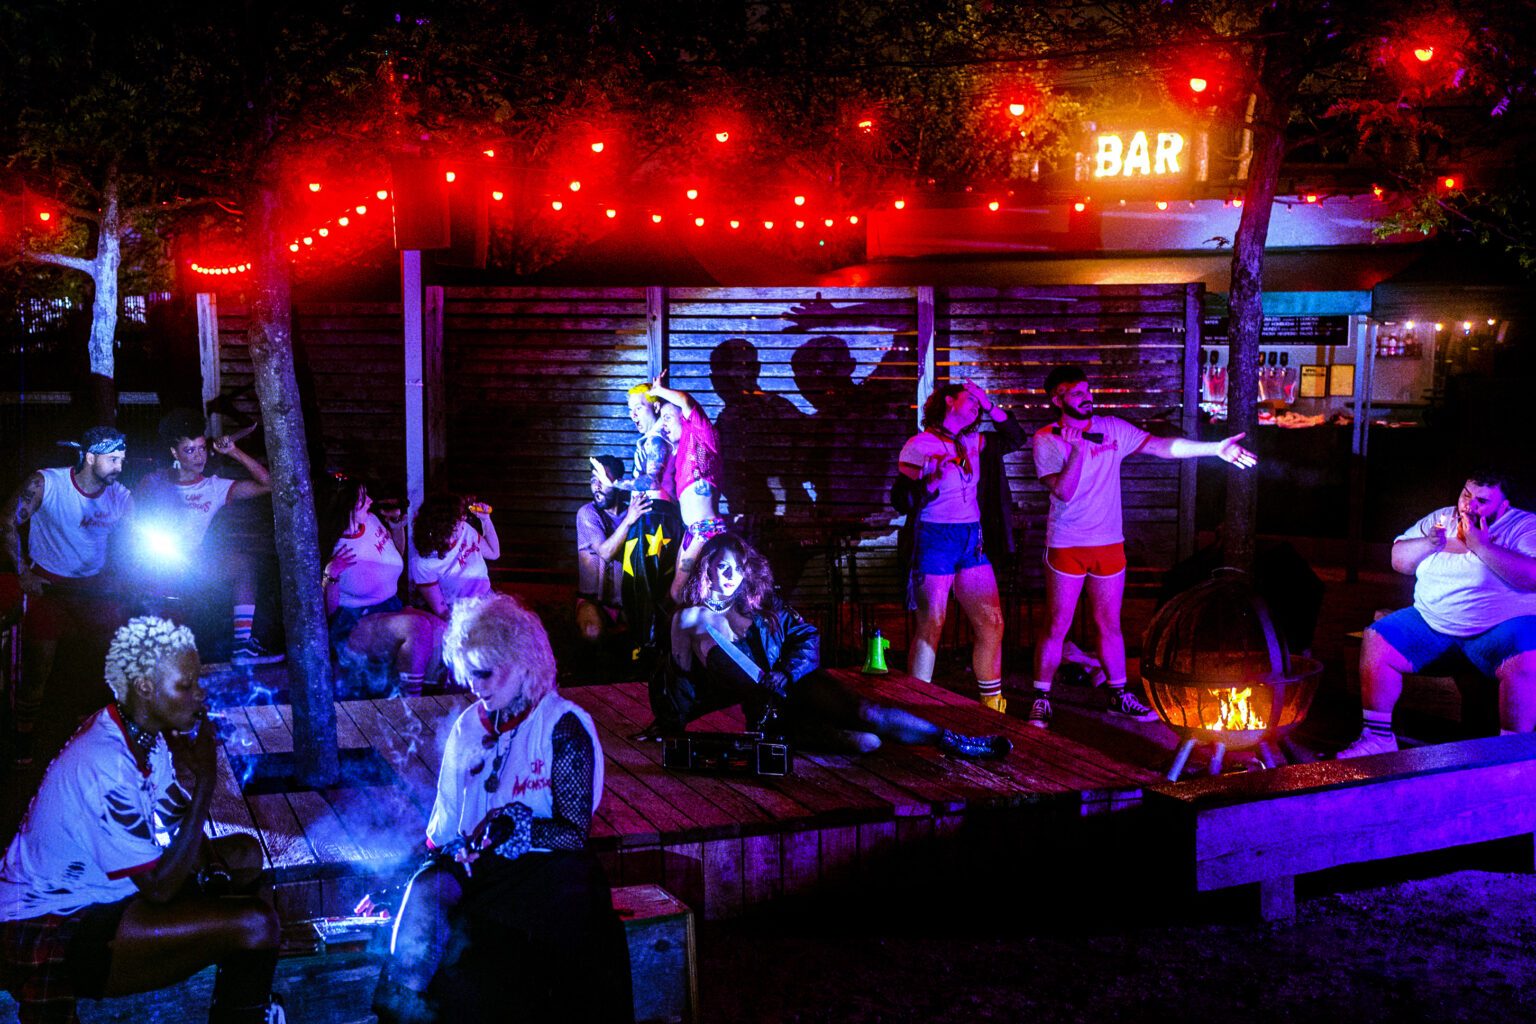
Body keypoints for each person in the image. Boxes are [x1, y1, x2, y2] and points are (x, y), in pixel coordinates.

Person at [0, 616, 283, 1024]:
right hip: (56, 924)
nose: (199, 695)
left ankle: (245, 985)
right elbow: (159, 889)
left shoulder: (143, 736)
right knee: (256, 924)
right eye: (185, 685)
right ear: (145, 687)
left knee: (245, 855)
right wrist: (206, 781)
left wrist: (217, 878)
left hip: (107, 893)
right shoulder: (106, 763)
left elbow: (177, 818)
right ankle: (245, 986)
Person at [372, 594, 632, 1024]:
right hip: (479, 866)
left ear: (523, 662)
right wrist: (415, 872)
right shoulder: (468, 726)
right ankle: (399, 1016)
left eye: (485, 673)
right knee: (423, 894)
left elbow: (573, 831)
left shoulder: (562, 724)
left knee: (495, 940)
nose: (476, 687)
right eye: (468, 674)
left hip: (549, 867)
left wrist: (517, 829)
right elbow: (446, 824)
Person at [1028, 364, 1257, 729]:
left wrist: (1214, 449)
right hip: (1068, 542)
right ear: (1058, 399)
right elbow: (1064, 492)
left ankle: (1118, 695)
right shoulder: (1046, 439)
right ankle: (1041, 697)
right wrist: (1078, 450)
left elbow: (1163, 447)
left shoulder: (1112, 428)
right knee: (1057, 623)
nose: (1087, 397)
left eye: (1088, 390)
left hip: (1109, 542)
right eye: (1077, 392)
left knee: (1109, 623)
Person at [649, 534, 1011, 760]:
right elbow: (684, 683)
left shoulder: (761, 604)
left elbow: (807, 636)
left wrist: (786, 672)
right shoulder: (693, 622)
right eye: (723, 568)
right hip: (774, 716)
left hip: (802, 684)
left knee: (868, 713)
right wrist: (667, 723)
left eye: (738, 569)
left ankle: (958, 743)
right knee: (866, 743)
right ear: (707, 568)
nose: (732, 577)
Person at [1339, 469, 1536, 758]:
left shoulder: (1524, 526)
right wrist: (1429, 543)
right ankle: (1378, 738)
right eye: (1466, 495)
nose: (1469, 506)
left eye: (1482, 501)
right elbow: (1398, 560)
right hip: (1432, 626)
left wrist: (1481, 545)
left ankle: (1512, 753)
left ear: (1503, 505)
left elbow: (1532, 576)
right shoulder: (1442, 517)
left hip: (1497, 632)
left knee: (1529, 653)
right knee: (1378, 637)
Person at [2, 426, 134, 765]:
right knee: (38, 669)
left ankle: (93, 733)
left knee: (106, 664)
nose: (119, 467)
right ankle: (23, 738)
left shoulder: (119, 495)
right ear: (90, 458)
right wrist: (23, 572)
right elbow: (6, 522)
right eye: (113, 459)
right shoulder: (47, 483)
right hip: (49, 586)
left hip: (94, 588)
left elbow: (136, 538)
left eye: (122, 459)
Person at [893, 381, 1026, 712]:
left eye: (979, 402)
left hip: (971, 538)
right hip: (935, 537)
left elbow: (1016, 437)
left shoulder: (973, 441)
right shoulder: (920, 444)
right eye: (970, 399)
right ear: (949, 401)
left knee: (992, 622)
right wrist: (930, 483)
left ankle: (992, 705)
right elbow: (900, 500)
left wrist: (988, 403)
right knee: (932, 623)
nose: (976, 405)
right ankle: (918, 705)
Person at [134, 410, 276, 668]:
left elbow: (268, 484)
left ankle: (242, 646)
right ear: (175, 453)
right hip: (157, 564)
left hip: (193, 566)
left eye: (201, 448)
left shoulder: (213, 486)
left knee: (244, 564)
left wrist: (234, 451)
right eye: (189, 450)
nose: (198, 456)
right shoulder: (155, 480)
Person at [321, 478, 443, 697]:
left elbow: (394, 556)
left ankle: (429, 694)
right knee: (417, 627)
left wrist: (397, 528)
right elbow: (328, 610)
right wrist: (331, 575)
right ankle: (408, 703)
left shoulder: (371, 521)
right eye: (362, 498)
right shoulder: (336, 546)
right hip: (354, 621)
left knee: (441, 628)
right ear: (346, 505)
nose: (370, 501)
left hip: (390, 607)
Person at [590, 384, 684, 666]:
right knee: (640, 585)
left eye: (638, 408)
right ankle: (648, 650)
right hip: (651, 517)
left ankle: (648, 653)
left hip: (655, 517)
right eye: (629, 409)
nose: (632, 415)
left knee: (644, 585)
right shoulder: (651, 439)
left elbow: (651, 481)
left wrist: (613, 482)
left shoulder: (656, 440)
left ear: (654, 407)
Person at [640, 372, 728, 603]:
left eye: (668, 418)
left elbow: (686, 401)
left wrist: (659, 391)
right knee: (681, 594)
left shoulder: (702, 433)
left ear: (685, 418)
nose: (664, 424)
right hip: (692, 531)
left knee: (679, 593)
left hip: (706, 530)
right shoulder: (679, 454)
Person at [409, 493, 500, 621]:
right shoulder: (423, 563)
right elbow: (442, 611)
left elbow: (494, 553)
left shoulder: (466, 530)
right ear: (443, 524)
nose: (464, 518)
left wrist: (486, 520)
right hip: (461, 611)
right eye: (459, 517)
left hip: (487, 597)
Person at [575, 454, 629, 644]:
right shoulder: (588, 513)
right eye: (593, 480)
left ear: (618, 482)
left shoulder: (631, 510)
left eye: (603, 480)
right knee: (593, 632)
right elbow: (605, 552)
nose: (596, 486)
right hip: (593, 602)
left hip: (625, 603)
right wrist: (630, 520)